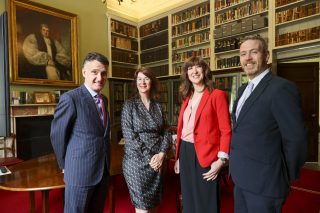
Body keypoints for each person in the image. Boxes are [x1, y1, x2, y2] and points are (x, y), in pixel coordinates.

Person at [229, 35, 308, 213]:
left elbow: (296, 139)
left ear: (266, 56)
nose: (247, 58)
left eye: (253, 52)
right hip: (241, 179)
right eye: (243, 54)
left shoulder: (281, 88)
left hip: (265, 184)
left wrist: (284, 174)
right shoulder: (242, 90)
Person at [50, 52, 110, 213]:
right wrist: (64, 165)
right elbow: (57, 135)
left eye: (104, 73)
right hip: (79, 171)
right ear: (84, 73)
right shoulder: (71, 98)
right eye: (95, 72)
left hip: (102, 170)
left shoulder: (104, 100)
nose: (100, 77)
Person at [174, 56, 232, 213]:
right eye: (190, 68)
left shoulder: (217, 95)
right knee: (189, 196)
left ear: (204, 70)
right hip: (186, 152)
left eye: (198, 66)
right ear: (186, 74)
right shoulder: (187, 97)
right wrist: (178, 157)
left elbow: (226, 130)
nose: (194, 71)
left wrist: (221, 160)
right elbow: (183, 129)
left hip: (206, 153)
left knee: (206, 200)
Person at [121, 67, 172, 213]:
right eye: (139, 79)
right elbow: (129, 137)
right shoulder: (129, 105)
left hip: (158, 161)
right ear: (135, 83)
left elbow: (166, 132)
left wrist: (161, 154)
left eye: (146, 78)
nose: (143, 82)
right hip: (137, 162)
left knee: (154, 205)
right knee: (142, 208)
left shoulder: (158, 106)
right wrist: (151, 158)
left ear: (152, 82)